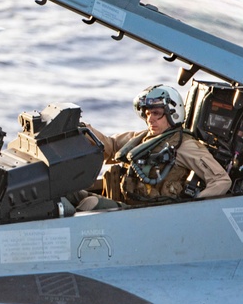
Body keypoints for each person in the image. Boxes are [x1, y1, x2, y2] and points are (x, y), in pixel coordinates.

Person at [78, 84, 230, 210]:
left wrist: (190, 208)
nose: (150, 118)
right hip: (127, 209)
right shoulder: (141, 139)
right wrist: (83, 130)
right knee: (72, 195)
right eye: (147, 113)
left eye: (156, 113)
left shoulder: (184, 145)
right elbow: (110, 147)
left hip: (149, 216)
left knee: (91, 204)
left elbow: (220, 180)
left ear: (173, 113)